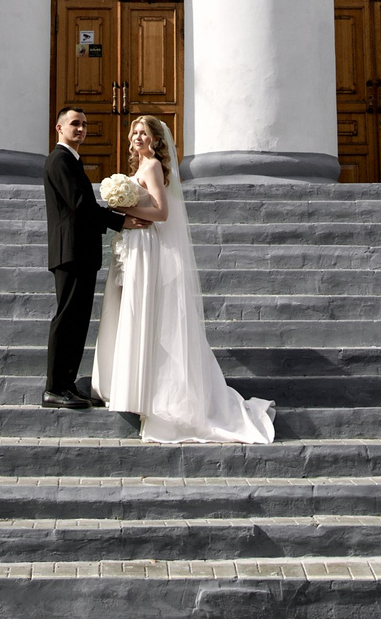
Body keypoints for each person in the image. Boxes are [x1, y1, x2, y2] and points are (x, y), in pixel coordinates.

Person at [92, 114, 276, 444]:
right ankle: (133, 386)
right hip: (133, 246)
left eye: (143, 133)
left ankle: (151, 392)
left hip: (147, 246)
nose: (137, 137)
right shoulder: (143, 165)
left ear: (156, 140)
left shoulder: (151, 167)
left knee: (143, 313)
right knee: (131, 313)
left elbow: (162, 213)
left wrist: (124, 211)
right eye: (134, 132)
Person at [41, 105, 131, 409]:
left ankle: (67, 384)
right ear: (59, 128)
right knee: (66, 319)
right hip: (70, 252)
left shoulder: (72, 160)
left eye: (84, 124)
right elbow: (79, 203)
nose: (81, 129)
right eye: (75, 124)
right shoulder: (59, 160)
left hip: (81, 252)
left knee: (78, 322)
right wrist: (119, 220)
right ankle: (53, 388)